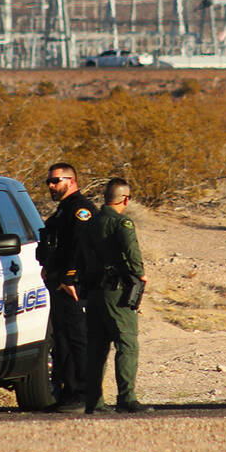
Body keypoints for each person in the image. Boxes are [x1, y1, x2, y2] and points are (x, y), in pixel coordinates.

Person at [75, 177, 152, 414]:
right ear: (125, 199)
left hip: (94, 291)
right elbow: (132, 251)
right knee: (127, 343)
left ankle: (93, 402)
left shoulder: (90, 222)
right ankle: (126, 398)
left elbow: (80, 256)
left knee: (97, 348)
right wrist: (140, 274)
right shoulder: (122, 223)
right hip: (117, 291)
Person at [37, 162, 97, 413]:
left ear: (71, 181)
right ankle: (67, 392)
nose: (51, 185)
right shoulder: (64, 210)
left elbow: (81, 246)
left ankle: (82, 393)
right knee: (61, 338)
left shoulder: (80, 209)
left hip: (71, 285)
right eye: (49, 181)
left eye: (56, 181)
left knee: (76, 338)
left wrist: (70, 277)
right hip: (58, 282)